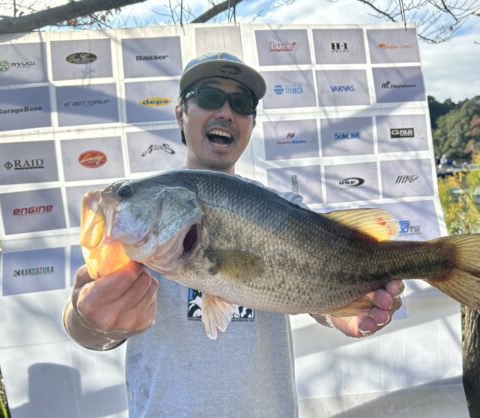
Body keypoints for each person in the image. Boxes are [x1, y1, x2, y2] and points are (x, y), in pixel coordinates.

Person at [63, 52, 405, 418]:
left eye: (241, 103)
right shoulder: (129, 235)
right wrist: (90, 321)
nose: (226, 111)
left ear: (251, 124)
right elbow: (84, 325)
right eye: (209, 97)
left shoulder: (285, 206)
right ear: (181, 112)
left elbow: (314, 292)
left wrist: (348, 312)